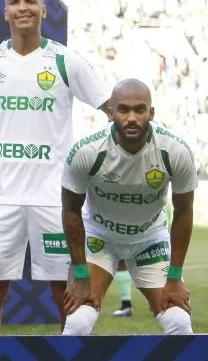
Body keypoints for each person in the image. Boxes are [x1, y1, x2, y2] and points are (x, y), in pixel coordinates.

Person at [0, 0, 110, 326]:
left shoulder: (65, 60)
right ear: (6, 12)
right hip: (1, 197)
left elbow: (111, 108)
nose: (22, 7)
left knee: (65, 292)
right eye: (15, 2)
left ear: (43, 10)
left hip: (53, 197)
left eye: (31, 1)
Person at [60, 79, 196, 336]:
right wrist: (79, 273)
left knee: (179, 322)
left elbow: (184, 212)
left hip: (150, 240)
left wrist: (175, 277)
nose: (131, 117)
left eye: (139, 109)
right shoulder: (86, 151)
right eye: (123, 109)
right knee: (78, 322)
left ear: (151, 113)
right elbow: (70, 211)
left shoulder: (175, 151)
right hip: (100, 239)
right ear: (110, 112)